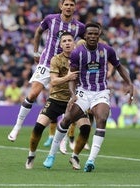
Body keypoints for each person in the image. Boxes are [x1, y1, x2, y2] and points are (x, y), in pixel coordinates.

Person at [43, 22, 134, 172]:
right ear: (85, 35)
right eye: (89, 34)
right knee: (66, 119)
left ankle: (91, 160)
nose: (92, 36)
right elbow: (72, 76)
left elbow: (119, 67)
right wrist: (73, 95)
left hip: (101, 92)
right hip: (83, 92)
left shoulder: (107, 50)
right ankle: (51, 155)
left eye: (95, 34)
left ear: (99, 35)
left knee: (102, 119)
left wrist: (129, 83)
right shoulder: (77, 52)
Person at [7, 0, 85, 142]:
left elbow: (85, 43)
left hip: (65, 67)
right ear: (61, 6)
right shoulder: (50, 19)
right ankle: (17, 126)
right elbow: (38, 32)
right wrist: (36, 52)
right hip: (47, 62)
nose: (68, 7)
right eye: (66, 4)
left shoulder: (79, 26)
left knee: (66, 99)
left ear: (75, 8)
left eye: (71, 5)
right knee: (33, 93)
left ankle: (62, 137)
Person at [25, 32, 91, 170]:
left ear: (74, 43)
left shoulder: (81, 59)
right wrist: (68, 77)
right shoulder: (56, 59)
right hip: (56, 99)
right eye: (64, 41)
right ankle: (31, 155)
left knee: (86, 128)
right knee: (38, 127)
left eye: (69, 40)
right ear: (60, 45)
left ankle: (75, 157)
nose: (67, 43)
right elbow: (54, 81)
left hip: (75, 101)